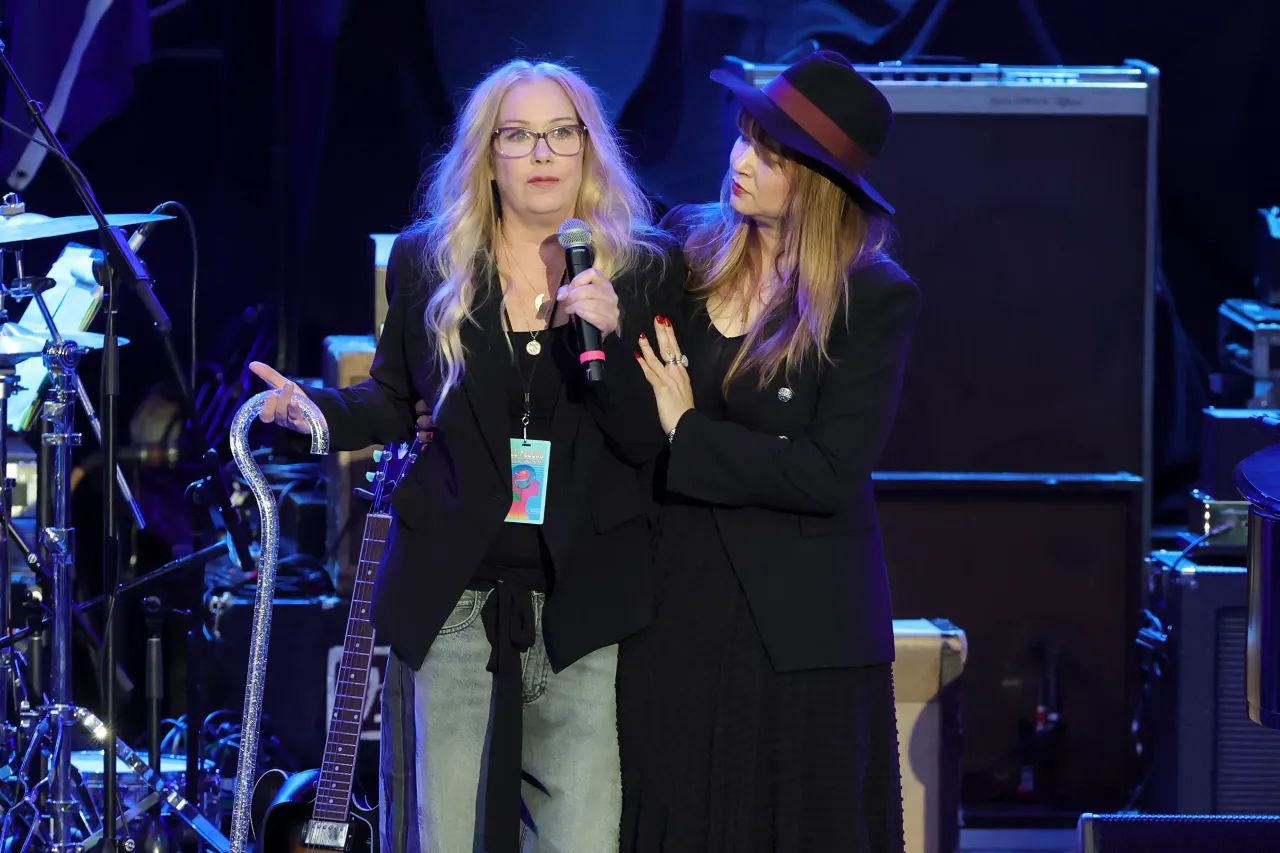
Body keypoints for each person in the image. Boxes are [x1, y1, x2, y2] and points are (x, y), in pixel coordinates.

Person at [248, 58, 685, 853]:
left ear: (589, 148)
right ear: (488, 154)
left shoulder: (644, 267)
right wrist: (312, 412)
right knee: (437, 830)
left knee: (580, 833)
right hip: (453, 582)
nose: (543, 153)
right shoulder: (428, 259)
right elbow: (390, 396)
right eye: (519, 135)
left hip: (584, 588)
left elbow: (647, 436)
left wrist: (611, 341)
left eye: (562, 133)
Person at [619, 51, 920, 852]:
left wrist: (691, 433)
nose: (737, 160)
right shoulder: (686, 248)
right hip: (679, 603)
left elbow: (826, 473)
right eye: (744, 136)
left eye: (767, 151)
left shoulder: (873, 297)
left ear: (818, 181)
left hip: (800, 633)